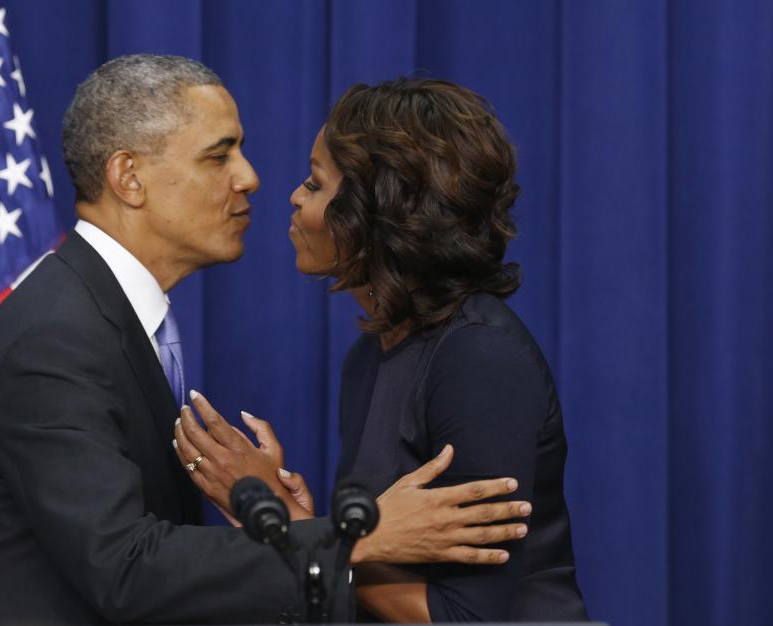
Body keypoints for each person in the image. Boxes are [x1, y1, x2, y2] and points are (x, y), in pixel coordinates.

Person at [0, 56, 533, 625]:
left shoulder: (102, 317)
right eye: (218, 156)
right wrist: (363, 535)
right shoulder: (55, 338)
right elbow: (124, 569)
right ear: (129, 177)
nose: (249, 178)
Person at [175, 78, 589, 622]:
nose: (295, 197)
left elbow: (466, 618)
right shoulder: (372, 353)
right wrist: (317, 530)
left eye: (315, 183)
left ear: (379, 211)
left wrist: (297, 534)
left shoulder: (478, 359)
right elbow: (390, 558)